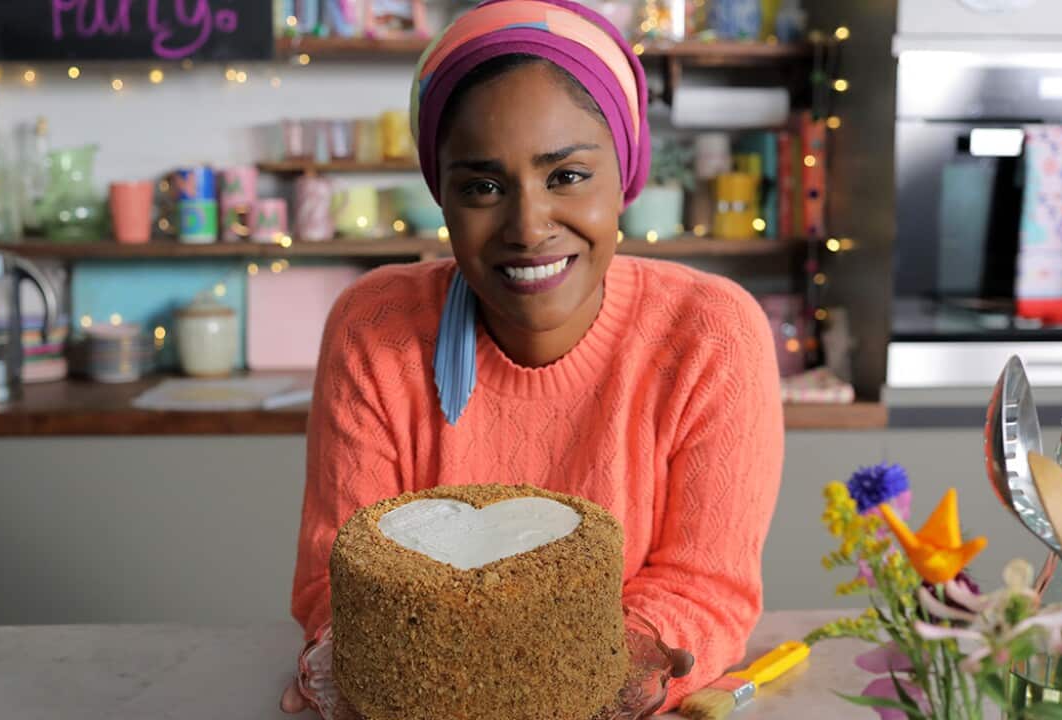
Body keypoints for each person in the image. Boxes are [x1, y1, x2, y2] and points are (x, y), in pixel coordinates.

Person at [282, 0, 784, 713]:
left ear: (626, 176)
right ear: (443, 198)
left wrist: (551, 686)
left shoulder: (711, 334)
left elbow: (705, 587)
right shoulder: (376, 328)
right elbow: (342, 583)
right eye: (483, 187)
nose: (527, 226)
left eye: (567, 175)